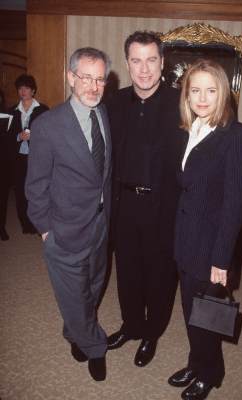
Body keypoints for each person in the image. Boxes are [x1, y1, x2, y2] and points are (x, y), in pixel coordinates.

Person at [168, 59, 242, 400]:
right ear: (186, 95)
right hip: (185, 241)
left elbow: (235, 206)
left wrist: (222, 260)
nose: (202, 98)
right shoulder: (190, 129)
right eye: (195, 90)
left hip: (211, 248)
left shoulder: (237, 136)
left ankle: (210, 373)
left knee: (205, 316)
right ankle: (196, 362)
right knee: (190, 311)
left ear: (224, 93)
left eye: (211, 90)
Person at [25, 47, 112, 381]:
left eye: (100, 78)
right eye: (85, 77)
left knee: (92, 286)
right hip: (63, 229)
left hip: (101, 224)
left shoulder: (103, 114)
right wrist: (46, 230)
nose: (93, 86)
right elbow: (35, 185)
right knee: (75, 292)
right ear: (70, 77)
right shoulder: (47, 125)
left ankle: (74, 330)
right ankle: (94, 346)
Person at [106, 31, 185, 367]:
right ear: (127, 63)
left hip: (164, 206)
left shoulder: (181, 103)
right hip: (124, 205)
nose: (144, 69)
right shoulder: (114, 102)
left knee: (160, 274)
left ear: (162, 62)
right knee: (127, 271)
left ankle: (152, 332)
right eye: (136, 60)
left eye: (151, 59)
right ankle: (131, 324)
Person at [9, 74, 49, 234]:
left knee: (38, 191)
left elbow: (49, 133)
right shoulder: (11, 111)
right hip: (19, 158)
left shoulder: (43, 109)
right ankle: (25, 224)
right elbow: (5, 137)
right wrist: (19, 136)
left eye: (26, 88)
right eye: (20, 88)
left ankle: (39, 224)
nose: (23, 91)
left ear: (33, 90)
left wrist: (35, 136)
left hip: (38, 157)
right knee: (20, 191)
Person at [0, 90, 15, 240]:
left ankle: (2, 227)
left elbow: (12, 140)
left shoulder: (7, 114)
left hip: (2, 161)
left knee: (3, 197)